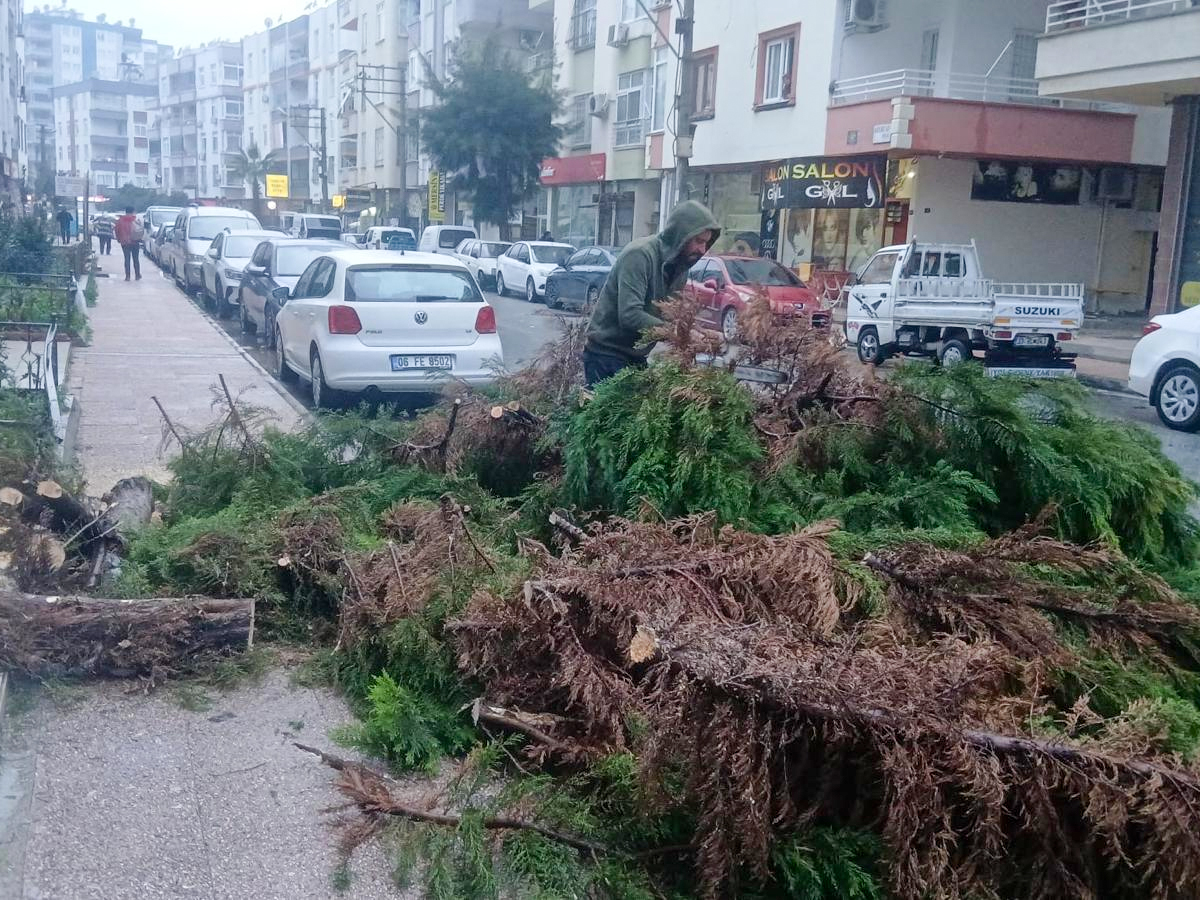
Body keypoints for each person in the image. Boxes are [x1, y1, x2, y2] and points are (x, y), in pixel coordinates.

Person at [582, 199, 720, 387]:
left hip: (636, 356)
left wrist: (696, 332)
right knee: (614, 415)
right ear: (681, 235)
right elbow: (630, 315)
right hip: (606, 355)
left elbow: (670, 315)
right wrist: (678, 332)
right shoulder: (639, 255)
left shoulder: (680, 267)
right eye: (698, 241)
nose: (702, 249)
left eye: (706, 243)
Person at [114, 206, 142, 281]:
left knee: (127, 259)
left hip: (125, 242)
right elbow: (141, 230)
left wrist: (119, 239)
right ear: (133, 211)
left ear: (125, 211)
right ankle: (137, 275)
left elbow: (117, 230)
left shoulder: (120, 220)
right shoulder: (136, 219)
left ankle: (128, 276)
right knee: (136, 259)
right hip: (135, 241)